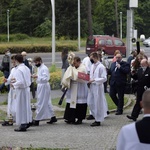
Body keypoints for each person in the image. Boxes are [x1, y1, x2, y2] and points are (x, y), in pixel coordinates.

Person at [62, 56, 88, 125]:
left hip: (80, 88)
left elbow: (78, 76)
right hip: (73, 87)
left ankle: (80, 119)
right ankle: (71, 118)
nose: (74, 64)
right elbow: (68, 74)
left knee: (80, 104)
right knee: (71, 103)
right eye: (73, 63)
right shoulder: (72, 68)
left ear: (79, 62)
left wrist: (72, 71)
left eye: (75, 63)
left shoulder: (83, 68)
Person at [32, 56, 57, 126]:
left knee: (41, 102)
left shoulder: (44, 68)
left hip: (44, 85)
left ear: (40, 61)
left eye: (36, 62)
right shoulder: (39, 68)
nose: (36, 64)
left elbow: (46, 78)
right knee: (47, 101)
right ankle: (53, 116)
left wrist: (37, 77)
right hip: (40, 85)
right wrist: (36, 76)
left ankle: (37, 119)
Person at [11, 54, 32, 132]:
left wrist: (13, 84)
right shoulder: (26, 68)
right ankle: (28, 121)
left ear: (16, 61)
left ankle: (23, 123)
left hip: (21, 90)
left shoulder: (19, 70)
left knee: (21, 107)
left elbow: (20, 82)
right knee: (26, 106)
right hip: (26, 89)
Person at [87, 52, 108, 126]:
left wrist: (95, 80)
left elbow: (104, 78)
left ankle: (98, 120)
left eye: (91, 58)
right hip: (92, 86)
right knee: (90, 102)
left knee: (98, 103)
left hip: (98, 86)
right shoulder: (92, 65)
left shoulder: (101, 66)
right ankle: (94, 115)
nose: (90, 59)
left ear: (95, 57)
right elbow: (91, 75)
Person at [2, 55, 17, 126]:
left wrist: (14, 83)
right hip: (12, 90)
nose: (13, 63)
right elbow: (10, 78)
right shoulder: (13, 69)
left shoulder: (22, 69)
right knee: (10, 104)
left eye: (14, 61)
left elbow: (22, 80)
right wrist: (7, 80)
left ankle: (17, 119)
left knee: (16, 105)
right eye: (12, 62)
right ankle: (10, 119)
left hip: (17, 90)